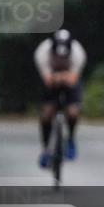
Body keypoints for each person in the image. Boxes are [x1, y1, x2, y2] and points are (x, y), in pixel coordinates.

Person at [34, 29, 86, 167]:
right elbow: (48, 80)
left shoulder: (78, 53)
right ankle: (45, 149)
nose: (61, 59)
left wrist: (59, 77)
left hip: (68, 80)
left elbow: (73, 80)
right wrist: (61, 77)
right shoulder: (42, 52)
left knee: (73, 111)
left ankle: (70, 139)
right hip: (52, 80)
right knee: (46, 113)